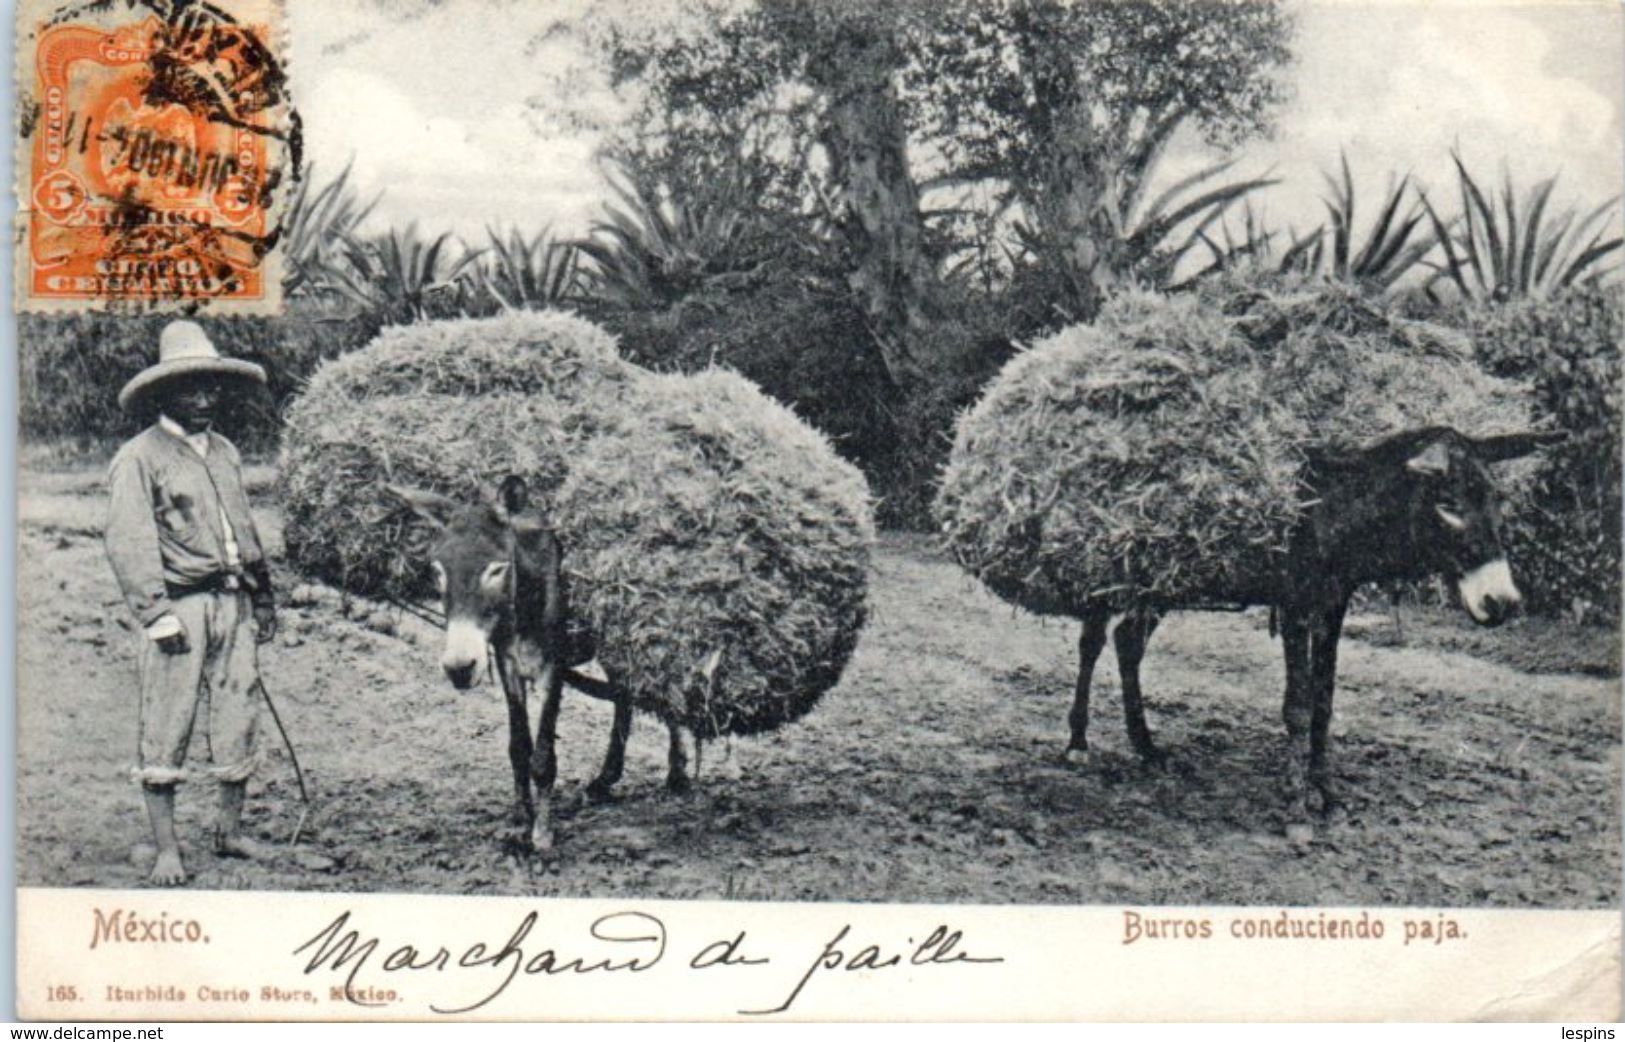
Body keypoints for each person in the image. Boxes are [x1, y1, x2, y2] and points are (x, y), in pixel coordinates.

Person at [104, 320, 278, 886]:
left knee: (238, 711)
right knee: (167, 720)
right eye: (189, 389)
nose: (204, 399)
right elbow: (129, 539)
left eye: (211, 388)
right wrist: (155, 615)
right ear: (162, 395)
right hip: (180, 606)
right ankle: (166, 849)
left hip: (234, 602)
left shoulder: (223, 452)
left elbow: (243, 528)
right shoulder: (139, 458)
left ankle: (229, 832)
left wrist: (264, 593)